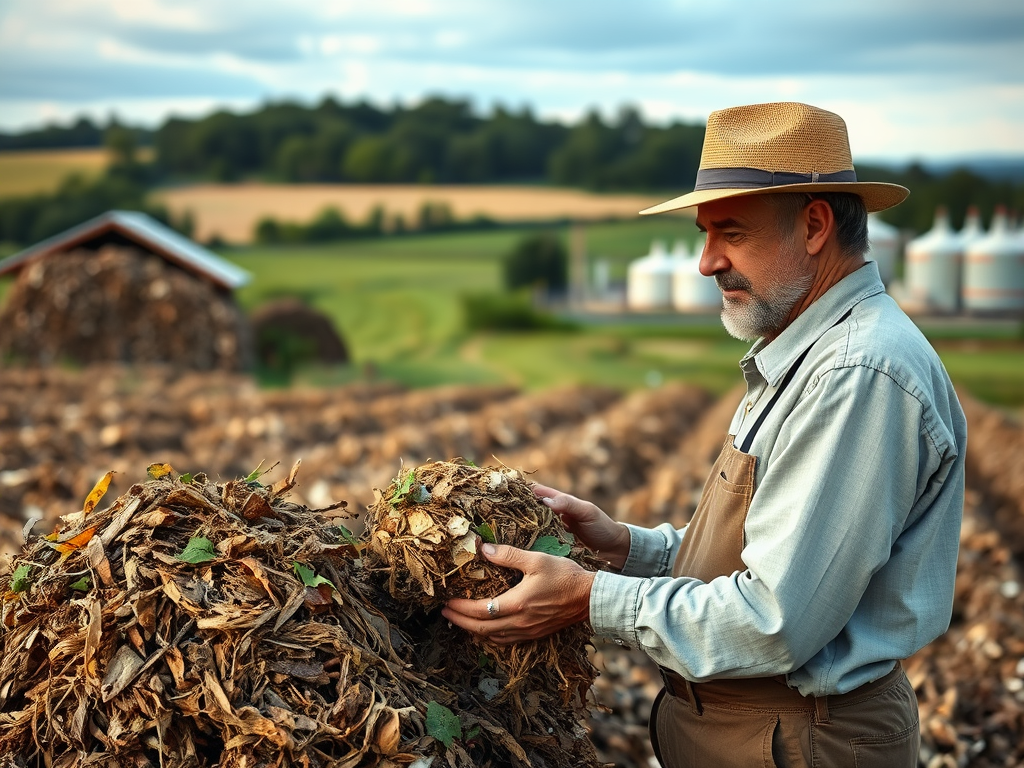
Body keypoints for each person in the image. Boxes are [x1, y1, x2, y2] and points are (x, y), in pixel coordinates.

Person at [442, 101, 967, 767]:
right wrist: (625, 547)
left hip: (800, 742)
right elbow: (772, 557)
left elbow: (775, 621)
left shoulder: (857, 374)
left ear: (814, 225)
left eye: (732, 233)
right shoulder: (807, 353)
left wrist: (587, 599)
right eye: (704, 234)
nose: (706, 262)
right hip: (767, 734)